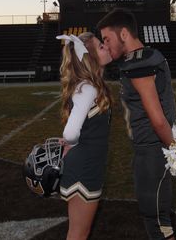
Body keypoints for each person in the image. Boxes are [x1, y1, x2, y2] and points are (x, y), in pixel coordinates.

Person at [97, 8, 176, 240]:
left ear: (123, 34)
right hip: (152, 149)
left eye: (107, 39)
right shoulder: (146, 56)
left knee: (157, 223)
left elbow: (158, 119)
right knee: (158, 220)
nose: (106, 45)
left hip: (152, 150)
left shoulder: (139, 64)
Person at [56, 32, 112, 240]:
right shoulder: (88, 88)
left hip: (87, 164)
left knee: (79, 232)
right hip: (84, 168)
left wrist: (72, 143)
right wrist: (71, 143)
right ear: (90, 57)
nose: (105, 47)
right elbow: (70, 132)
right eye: (100, 46)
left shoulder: (89, 86)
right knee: (79, 233)